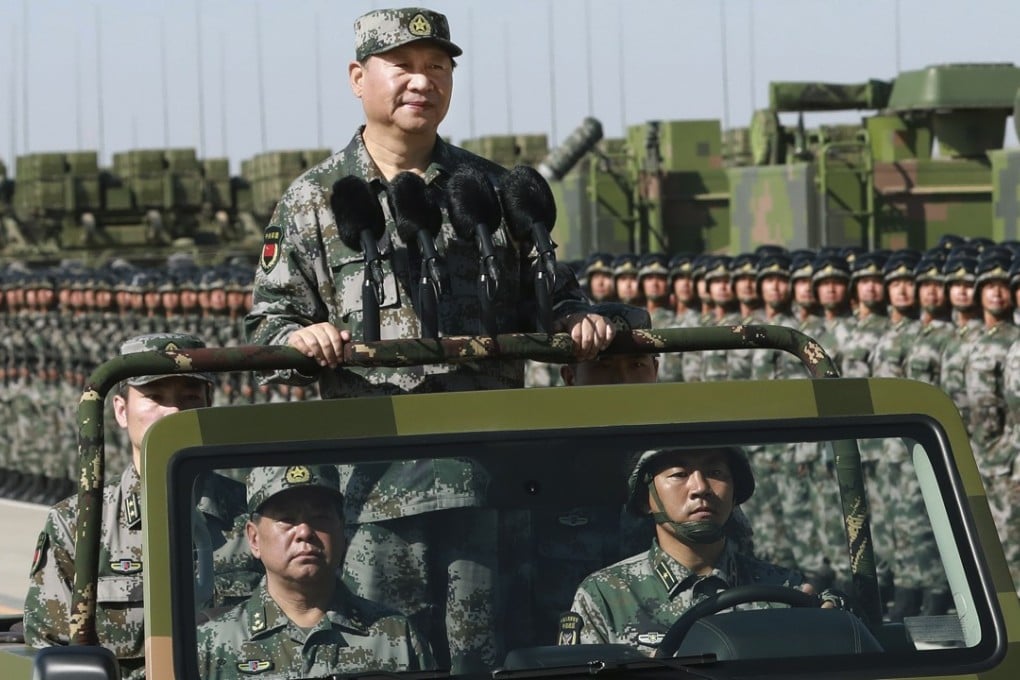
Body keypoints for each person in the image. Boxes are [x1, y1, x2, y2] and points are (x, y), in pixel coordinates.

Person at [243, 8, 612, 673]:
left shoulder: (491, 192)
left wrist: (575, 321)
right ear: (359, 78)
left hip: (488, 482)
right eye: (404, 66)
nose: (423, 82)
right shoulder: (313, 201)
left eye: (438, 67)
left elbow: (554, 295)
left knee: (493, 657)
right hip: (374, 495)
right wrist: (303, 336)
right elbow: (266, 322)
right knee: (386, 658)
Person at [23, 333, 258, 680]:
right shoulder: (79, 523)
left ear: (209, 404)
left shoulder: (255, 513)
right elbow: (51, 648)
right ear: (121, 410)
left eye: (189, 397)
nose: (174, 411)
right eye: (155, 397)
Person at [563, 445, 832, 653]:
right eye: (679, 474)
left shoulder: (784, 591)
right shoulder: (605, 595)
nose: (700, 488)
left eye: (715, 473)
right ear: (647, 499)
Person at [197, 465, 433, 679]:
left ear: (342, 529)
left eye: (320, 518)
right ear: (254, 538)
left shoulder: (396, 636)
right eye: (287, 520)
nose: (305, 532)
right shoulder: (213, 644)